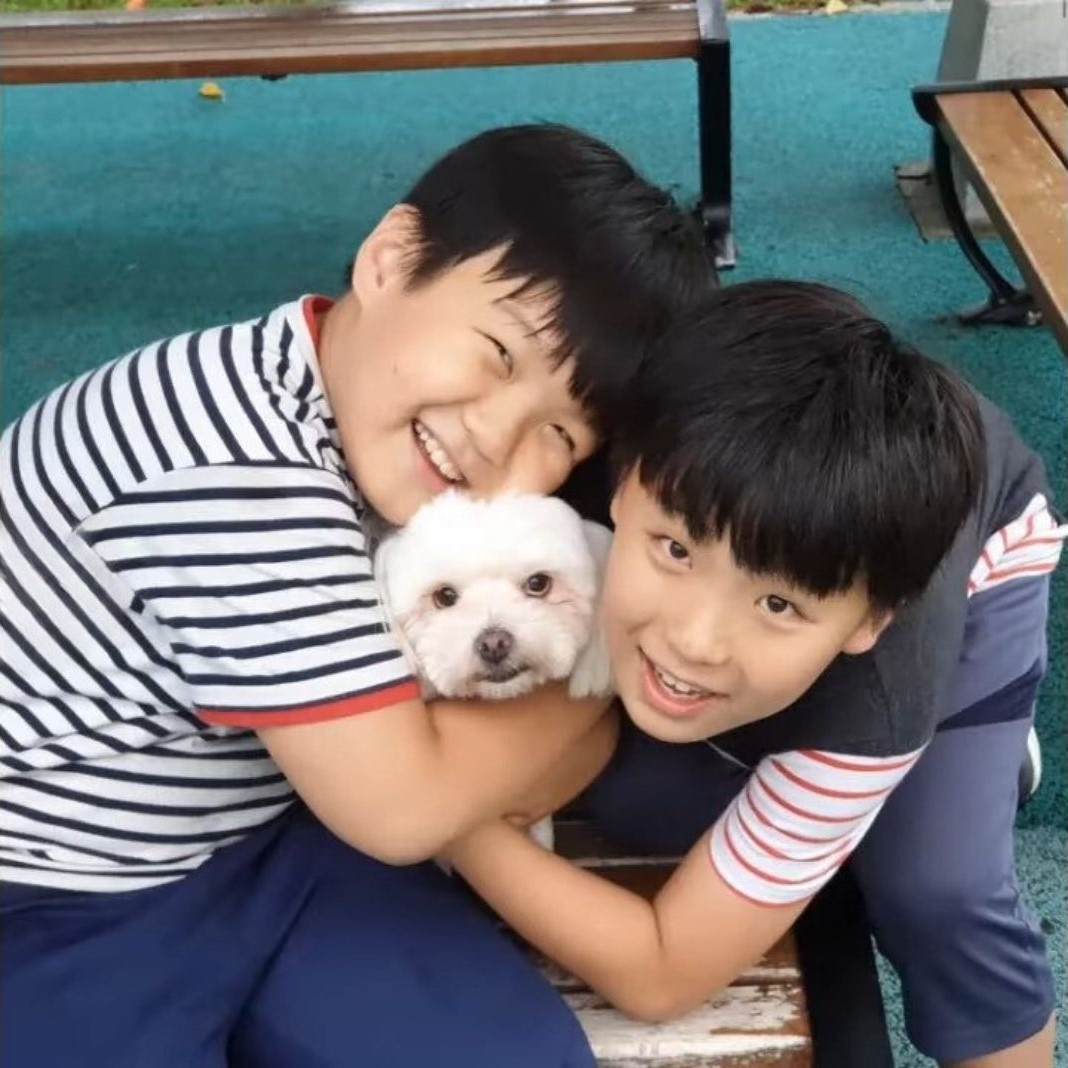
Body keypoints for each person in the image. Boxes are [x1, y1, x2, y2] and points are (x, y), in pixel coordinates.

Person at [0, 123, 712, 1067]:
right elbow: (403, 810)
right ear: (390, 258)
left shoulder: (349, 411)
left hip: (276, 835)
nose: (496, 441)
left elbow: (483, 783)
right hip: (58, 896)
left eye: (561, 434)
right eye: (499, 354)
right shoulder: (228, 471)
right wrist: (590, 679)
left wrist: (499, 750)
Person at [447, 281, 1066, 1068]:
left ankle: (970, 741)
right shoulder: (575, 471)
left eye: (776, 603)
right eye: (673, 550)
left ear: (869, 621)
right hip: (810, 529)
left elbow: (664, 973)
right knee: (645, 802)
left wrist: (447, 819)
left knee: (936, 883)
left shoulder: (877, 690)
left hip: (980, 549)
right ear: (620, 485)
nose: (696, 640)